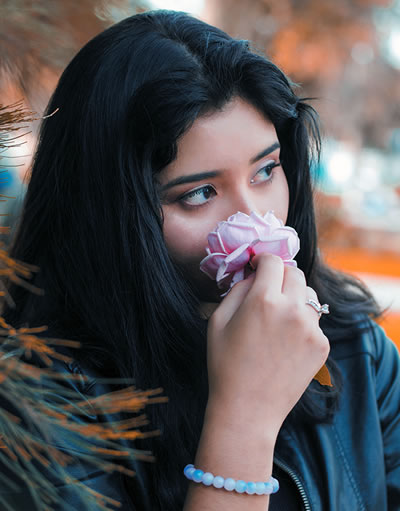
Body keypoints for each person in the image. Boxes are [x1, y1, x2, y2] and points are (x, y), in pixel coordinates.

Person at [1, 9, 399, 511]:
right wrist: (245, 416)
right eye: (200, 192)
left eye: (266, 170)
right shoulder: (42, 407)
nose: (258, 222)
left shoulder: (355, 349)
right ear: (111, 214)